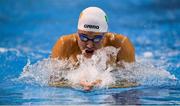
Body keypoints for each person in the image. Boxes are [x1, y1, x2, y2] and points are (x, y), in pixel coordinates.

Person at [51, 7, 135, 91]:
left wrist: (104, 83)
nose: (90, 45)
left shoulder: (121, 44)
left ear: (105, 35)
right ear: (77, 32)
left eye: (97, 39)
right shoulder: (64, 44)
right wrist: (75, 83)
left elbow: (132, 82)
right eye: (84, 38)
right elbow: (53, 82)